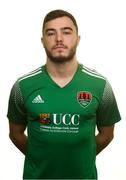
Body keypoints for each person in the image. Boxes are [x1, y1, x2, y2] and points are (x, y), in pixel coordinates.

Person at [7, 9, 121, 179]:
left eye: (66, 32)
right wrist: (40, 157)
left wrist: (82, 157)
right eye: (51, 33)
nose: (59, 39)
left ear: (78, 38)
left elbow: (107, 134)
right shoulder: (22, 87)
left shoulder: (100, 86)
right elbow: (15, 134)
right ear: (42, 41)